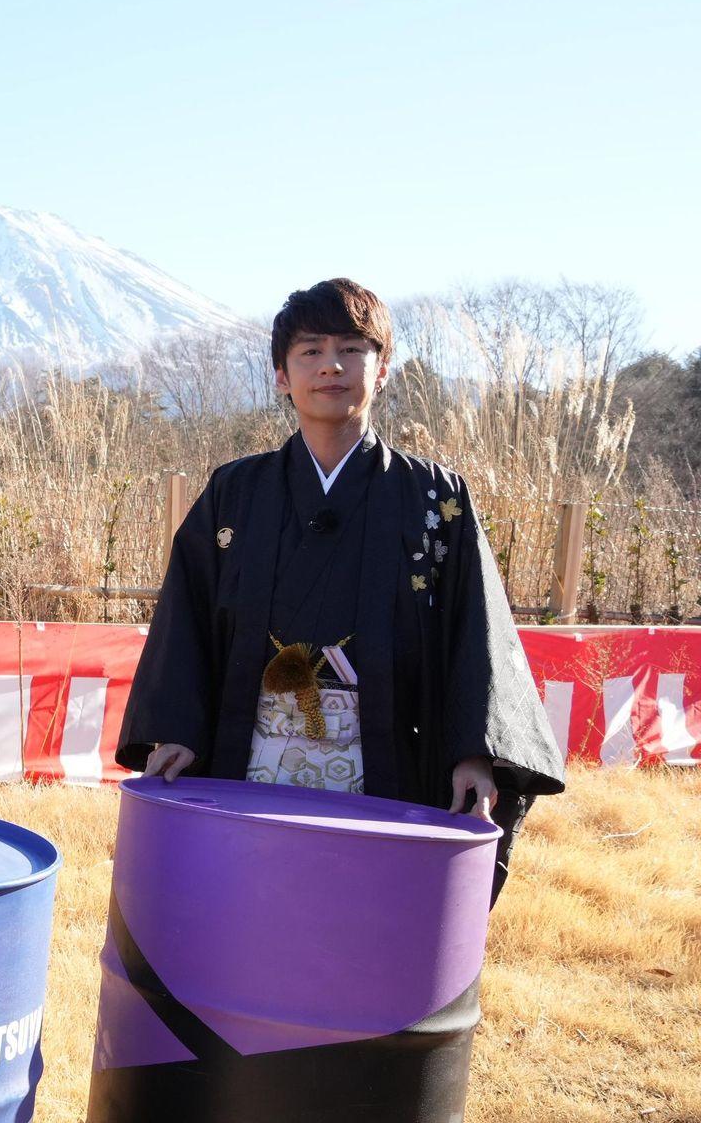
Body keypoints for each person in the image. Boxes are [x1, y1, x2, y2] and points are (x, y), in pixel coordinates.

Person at [118, 278, 564, 898]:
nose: (331, 365)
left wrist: (474, 752)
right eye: (310, 351)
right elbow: (185, 622)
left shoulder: (435, 498)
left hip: (389, 753)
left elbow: (476, 634)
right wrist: (177, 727)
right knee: (247, 907)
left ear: (381, 372)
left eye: (353, 349)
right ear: (282, 376)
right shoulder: (235, 492)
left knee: (365, 917)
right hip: (249, 749)